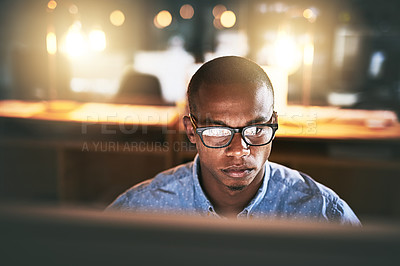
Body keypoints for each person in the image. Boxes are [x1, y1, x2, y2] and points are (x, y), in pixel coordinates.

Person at [107, 56, 361, 226]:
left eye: (256, 129)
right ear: (191, 131)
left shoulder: (322, 213)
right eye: (218, 131)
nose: (239, 150)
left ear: (273, 124)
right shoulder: (140, 211)